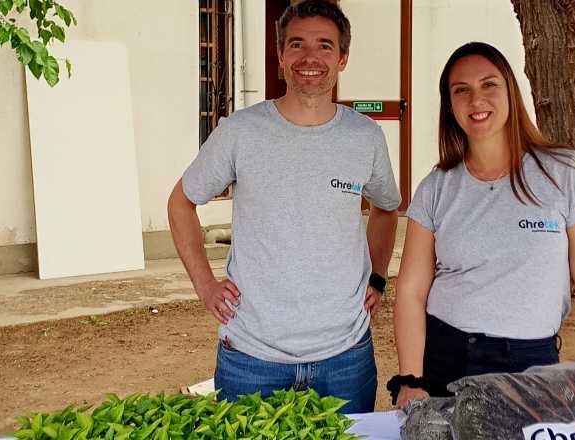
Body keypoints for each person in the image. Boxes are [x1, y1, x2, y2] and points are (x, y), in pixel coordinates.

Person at [167, 0, 401, 414]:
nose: (310, 58)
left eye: (325, 46)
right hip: (251, 358)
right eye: (297, 45)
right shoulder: (240, 132)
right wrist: (205, 286)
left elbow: (386, 208)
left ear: (343, 58)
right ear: (280, 56)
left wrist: (378, 278)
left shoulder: (364, 137)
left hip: (345, 357)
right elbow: (181, 202)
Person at [390, 41, 575, 408]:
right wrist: (410, 378)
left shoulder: (562, 172)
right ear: (450, 106)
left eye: (489, 84)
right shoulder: (436, 187)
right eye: (462, 91)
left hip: (532, 363)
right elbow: (411, 290)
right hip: (449, 357)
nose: (477, 100)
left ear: (510, 91)